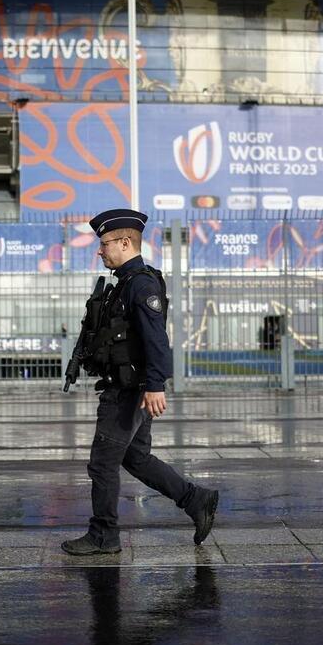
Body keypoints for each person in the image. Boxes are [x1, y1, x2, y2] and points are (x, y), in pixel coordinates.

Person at [61, 208, 219, 556]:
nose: (99, 251)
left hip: (129, 392)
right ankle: (196, 499)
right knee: (136, 458)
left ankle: (104, 535)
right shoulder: (126, 283)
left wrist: (155, 385)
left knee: (102, 463)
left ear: (125, 242)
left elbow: (156, 339)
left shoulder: (142, 284)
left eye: (104, 244)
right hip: (127, 386)